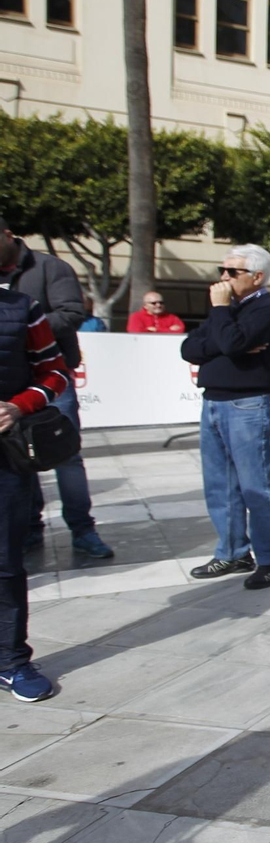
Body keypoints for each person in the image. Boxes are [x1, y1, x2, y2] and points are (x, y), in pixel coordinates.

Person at [180, 245, 270, 590]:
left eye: (231, 272)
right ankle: (232, 552)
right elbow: (190, 348)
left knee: (254, 485)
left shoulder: (268, 309)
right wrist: (226, 334)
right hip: (213, 401)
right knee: (220, 484)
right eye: (221, 271)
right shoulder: (226, 311)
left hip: (248, 405)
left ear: (257, 277)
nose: (222, 279)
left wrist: (223, 329)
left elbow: (229, 343)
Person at [0, 225, 114, 560]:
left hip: (48, 376)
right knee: (16, 457)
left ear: (7, 233)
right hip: (10, 384)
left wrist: (22, 323)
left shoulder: (50, 267)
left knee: (65, 455)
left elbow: (71, 313)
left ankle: (82, 529)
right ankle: (28, 528)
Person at [0, 285, 71, 701]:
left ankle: (10, 661)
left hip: (5, 458)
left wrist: (20, 405)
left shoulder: (21, 307)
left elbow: (56, 373)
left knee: (6, 563)